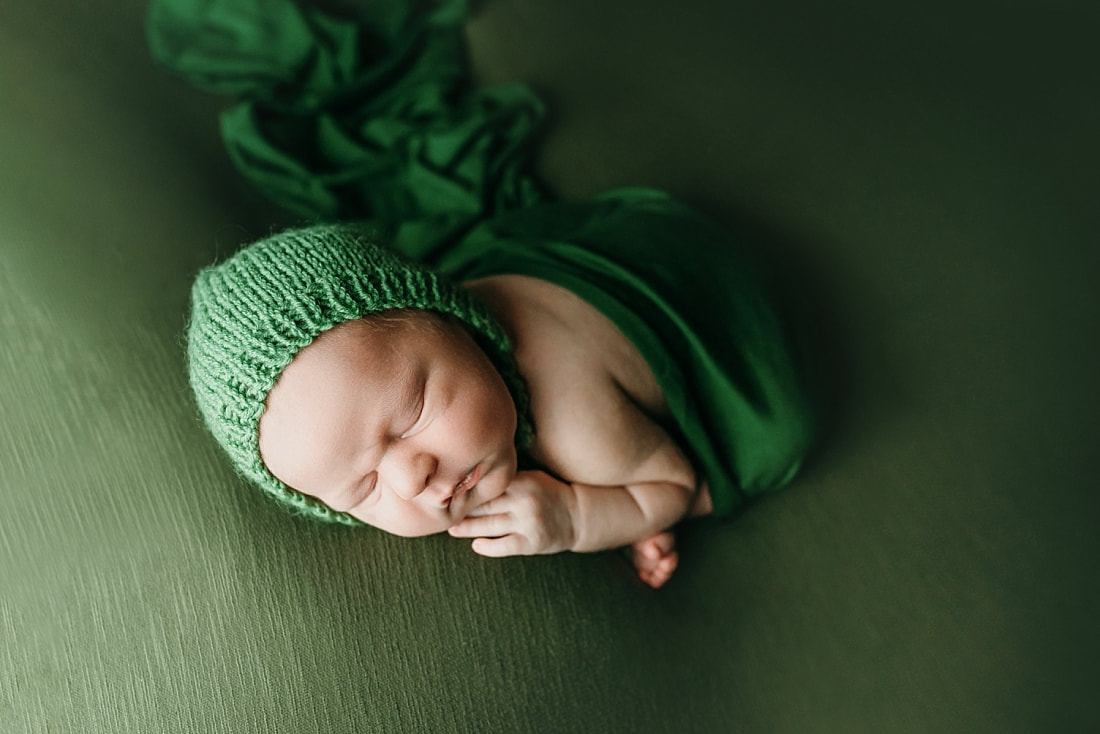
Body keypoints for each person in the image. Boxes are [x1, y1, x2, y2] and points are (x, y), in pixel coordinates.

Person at [187, 190, 818, 588]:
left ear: (452, 319)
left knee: (779, 440)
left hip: (696, 293)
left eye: (411, 414)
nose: (414, 477)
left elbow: (674, 485)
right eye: (364, 488)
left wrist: (578, 517)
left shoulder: (575, 422)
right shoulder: (421, 357)